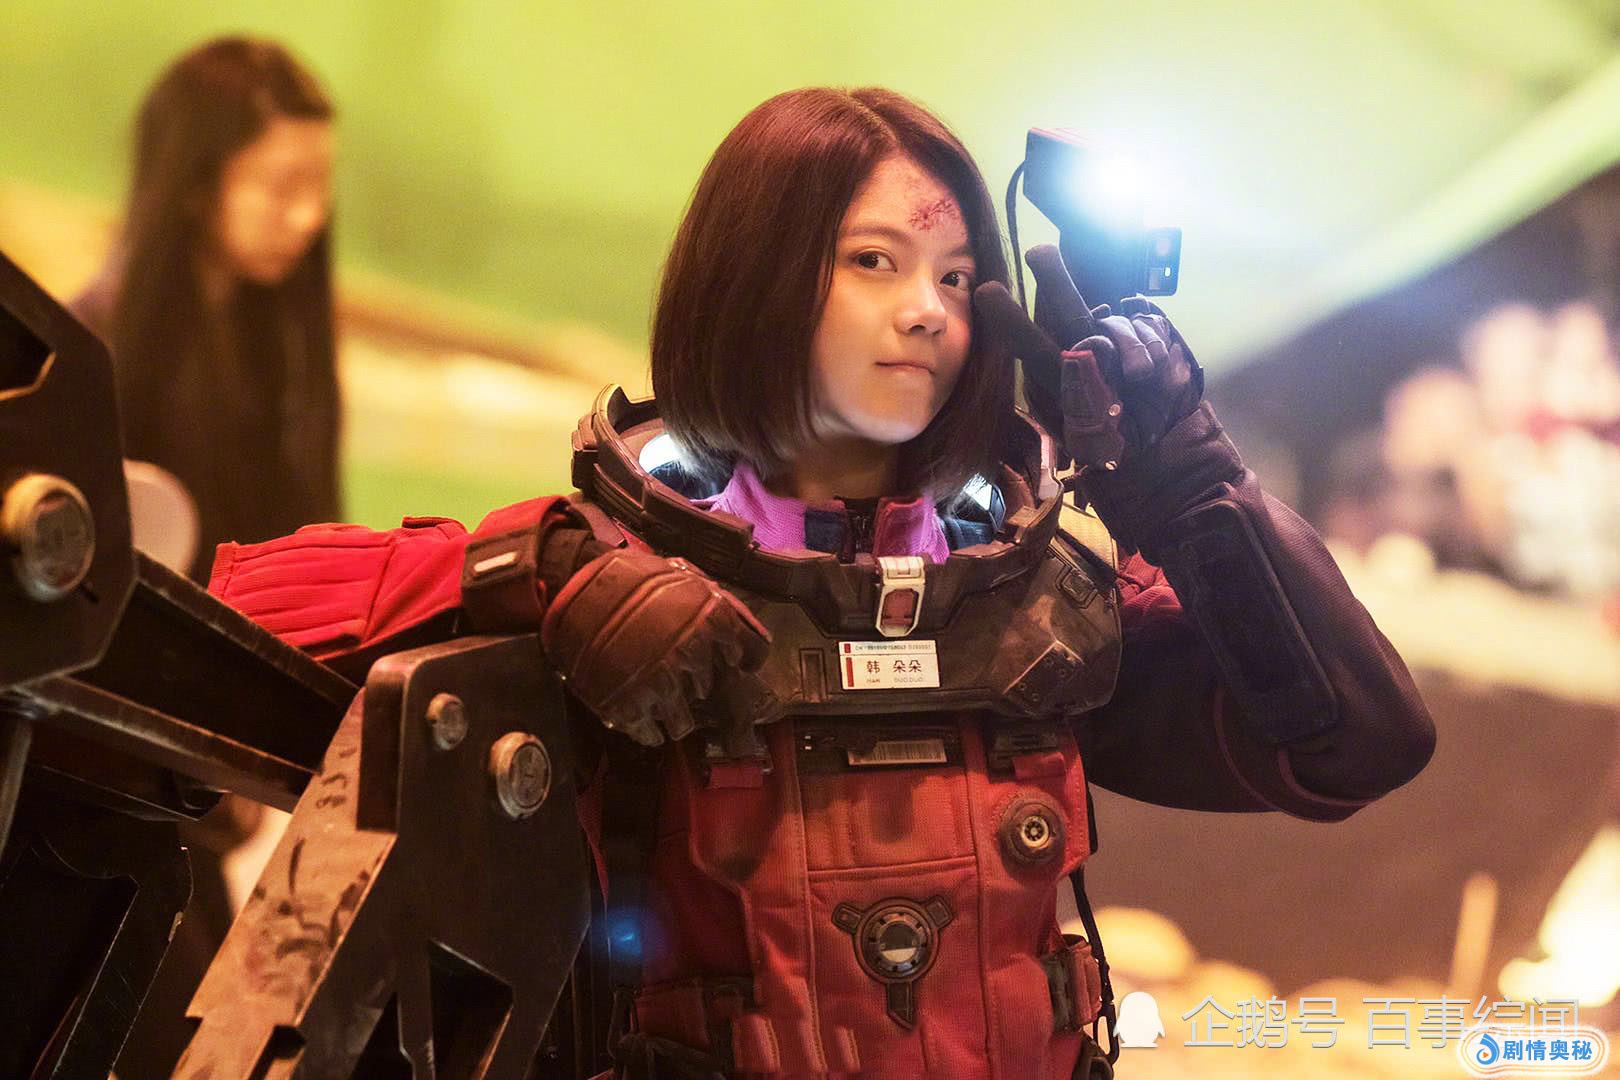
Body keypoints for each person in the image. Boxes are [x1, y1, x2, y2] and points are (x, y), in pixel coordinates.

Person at [208, 88, 1435, 1078]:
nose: (926, 313)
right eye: (874, 261)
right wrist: (541, 568)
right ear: (755, 276)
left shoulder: (1028, 599)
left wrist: (1182, 473)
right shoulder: (619, 566)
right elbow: (211, 626)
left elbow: (1358, 741)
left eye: (954, 276)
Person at [74, 36, 340, 582]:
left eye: (320, 183)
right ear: (195, 184)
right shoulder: (91, 348)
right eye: (283, 186)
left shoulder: (279, 341)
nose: (310, 216)